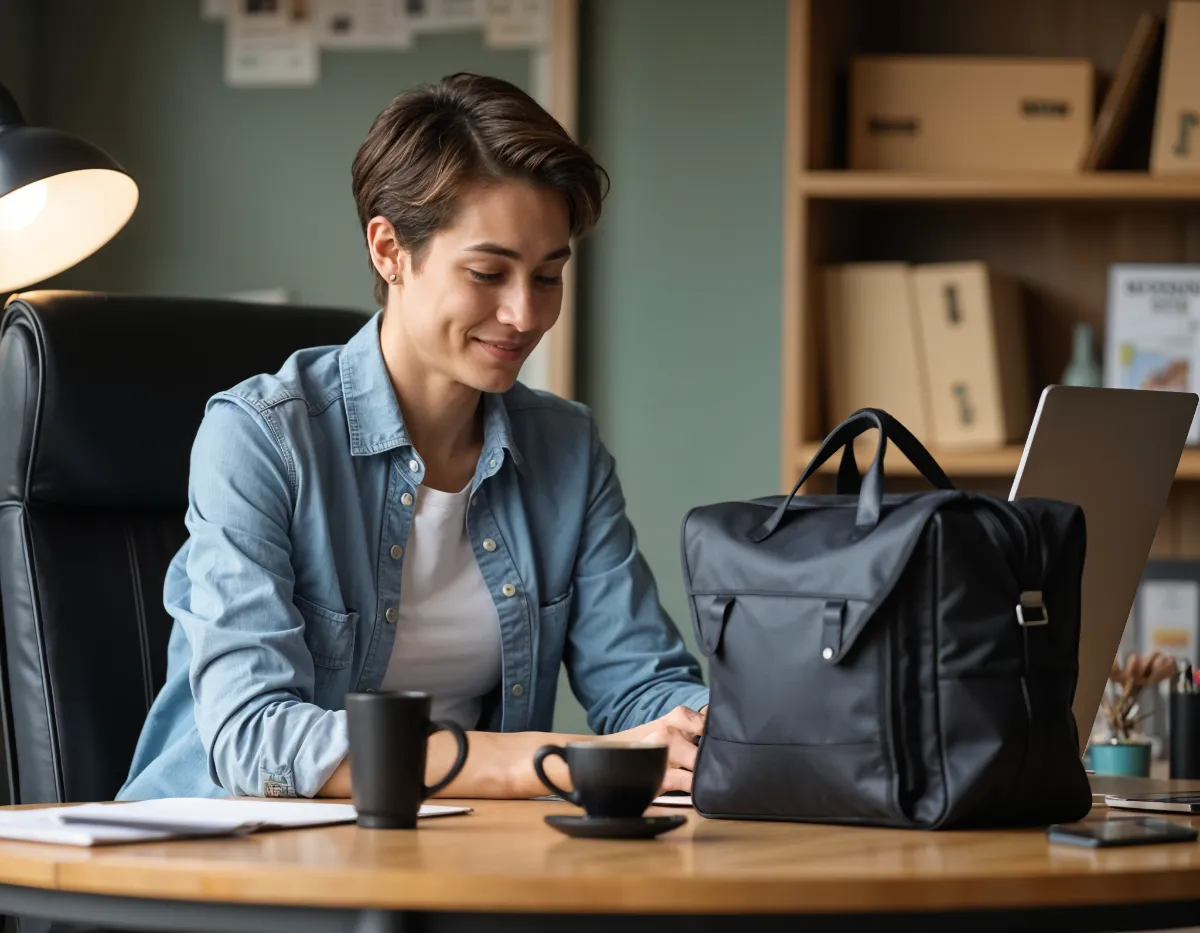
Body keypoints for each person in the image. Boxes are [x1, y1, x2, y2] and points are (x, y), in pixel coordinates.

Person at [118, 73, 709, 802]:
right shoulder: (259, 440)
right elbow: (254, 736)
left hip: (451, 859)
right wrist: (548, 758)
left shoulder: (566, 449)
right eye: (488, 272)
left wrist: (712, 732)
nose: (524, 314)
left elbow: (640, 686)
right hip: (231, 863)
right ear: (389, 249)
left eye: (549, 276)